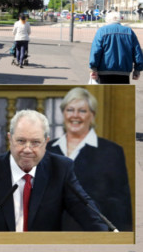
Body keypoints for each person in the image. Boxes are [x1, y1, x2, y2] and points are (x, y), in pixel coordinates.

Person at [0, 110, 108, 243]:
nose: (27, 149)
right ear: (10, 139)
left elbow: (87, 211)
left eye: (35, 142)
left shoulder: (60, 169)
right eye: (21, 141)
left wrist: (109, 240)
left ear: (46, 142)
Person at [47, 87, 132, 231]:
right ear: (63, 113)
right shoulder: (46, 150)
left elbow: (121, 204)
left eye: (82, 111)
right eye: (70, 110)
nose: (75, 115)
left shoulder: (111, 151)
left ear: (92, 116)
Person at [89, 10, 143, 84]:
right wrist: (137, 70)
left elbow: (96, 51)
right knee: (121, 94)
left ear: (107, 20)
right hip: (124, 73)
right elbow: (137, 52)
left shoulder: (101, 31)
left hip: (104, 72)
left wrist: (93, 68)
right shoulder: (129, 32)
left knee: (105, 94)